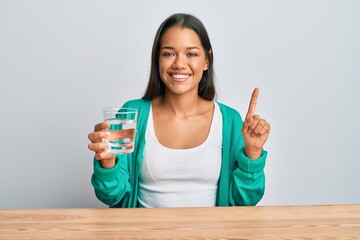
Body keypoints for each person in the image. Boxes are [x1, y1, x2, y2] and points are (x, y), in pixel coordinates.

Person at [88, 13, 270, 208]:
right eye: (169, 53)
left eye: (191, 54)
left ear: (207, 60)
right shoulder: (133, 113)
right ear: (157, 59)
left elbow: (244, 201)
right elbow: (111, 196)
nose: (179, 64)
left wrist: (253, 152)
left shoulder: (229, 120)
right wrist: (108, 162)